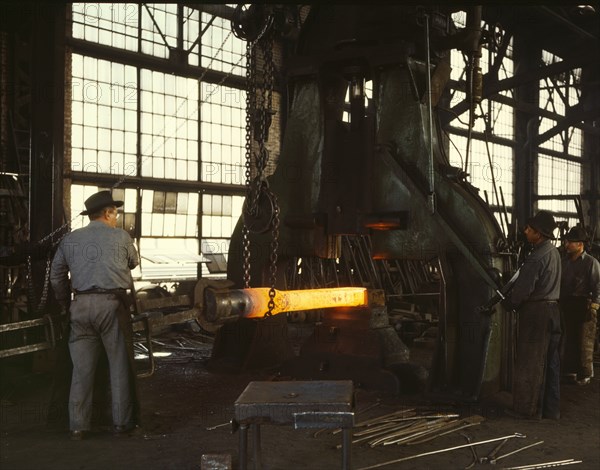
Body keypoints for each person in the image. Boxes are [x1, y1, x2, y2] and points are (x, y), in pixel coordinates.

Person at [50, 190, 140, 440]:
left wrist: (63, 304)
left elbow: (56, 276)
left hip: (79, 307)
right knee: (118, 365)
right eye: (115, 213)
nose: (116, 218)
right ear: (108, 212)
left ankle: (78, 426)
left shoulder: (70, 240)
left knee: (81, 370)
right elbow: (133, 263)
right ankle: (121, 424)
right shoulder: (121, 236)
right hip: (111, 306)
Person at [501, 210, 561, 420]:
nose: (525, 231)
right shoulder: (553, 252)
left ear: (539, 234)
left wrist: (510, 303)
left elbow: (523, 290)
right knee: (550, 362)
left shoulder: (537, 257)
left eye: (529, 229)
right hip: (553, 310)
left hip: (537, 313)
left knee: (530, 361)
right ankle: (551, 411)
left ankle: (526, 410)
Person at [559, 226, 600, 385]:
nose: (567, 244)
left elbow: (597, 285)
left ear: (580, 244)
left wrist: (595, 305)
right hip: (568, 303)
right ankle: (571, 371)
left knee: (585, 341)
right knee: (569, 339)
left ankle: (585, 374)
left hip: (584, 304)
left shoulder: (591, 263)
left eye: (570, 242)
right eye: (567, 241)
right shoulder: (564, 262)